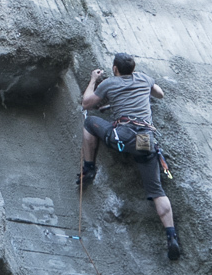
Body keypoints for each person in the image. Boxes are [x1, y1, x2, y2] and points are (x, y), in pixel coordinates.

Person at [76, 52, 181, 260]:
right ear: (133, 68)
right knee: (157, 190)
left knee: (89, 122)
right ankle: (171, 235)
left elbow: (86, 103)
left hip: (123, 136)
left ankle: (88, 168)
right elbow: (159, 94)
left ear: (115, 69)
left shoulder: (110, 83)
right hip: (146, 140)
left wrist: (93, 79)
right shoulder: (143, 78)